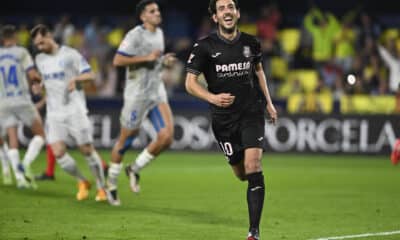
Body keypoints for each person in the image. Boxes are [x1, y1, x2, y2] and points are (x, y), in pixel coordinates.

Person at [185, 0, 278, 239]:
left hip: (251, 112)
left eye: (230, 7)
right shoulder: (204, 47)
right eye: (221, 8)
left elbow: (258, 71)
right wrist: (212, 98)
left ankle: (253, 233)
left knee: (253, 166)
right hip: (223, 120)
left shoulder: (251, 43)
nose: (227, 11)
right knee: (241, 174)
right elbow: (190, 83)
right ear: (215, 17)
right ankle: (251, 180)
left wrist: (268, 102)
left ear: (237, 13)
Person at [106, 0, 176, 206]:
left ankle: (134, 169)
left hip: (156, 91)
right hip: (136, 96)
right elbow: (117, 61)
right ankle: (110, 184)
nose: (157, 13)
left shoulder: (160, 33)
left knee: (167, 137)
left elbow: (156, 59)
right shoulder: (134, 35)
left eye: (158, 10)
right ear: (143, 17)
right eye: (152, 11)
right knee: (125, 141)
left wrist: (164, 61)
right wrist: (147, 58)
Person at [31, 24, 107, 201]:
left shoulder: (70, 54)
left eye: (42, 42)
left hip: (75, 110)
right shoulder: (40, 59)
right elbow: (48, 83)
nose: (40, 47)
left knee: (87, 150)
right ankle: (82, 181)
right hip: (54, 114)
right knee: (58, 152)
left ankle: (101, 187)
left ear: (49, 36)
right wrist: (39, 88)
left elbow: (90, 75)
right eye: (37, 45)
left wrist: (76, 78)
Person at [0, 25, 46, 189]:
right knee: (40, 134)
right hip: (21, 99)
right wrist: (42, 81)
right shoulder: (21, 52)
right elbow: (32, 74)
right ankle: (25, 164)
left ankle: (19, 179)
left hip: (3, 102)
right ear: (12, 38)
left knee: (12, 139)